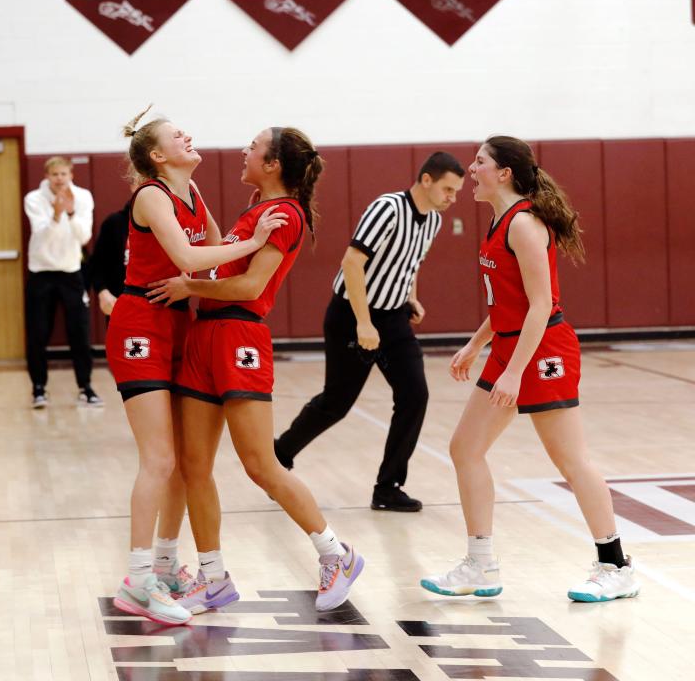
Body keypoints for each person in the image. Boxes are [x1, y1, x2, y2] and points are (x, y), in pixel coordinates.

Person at [148, 126, 365, 615]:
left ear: (273, 165)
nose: (245, 150)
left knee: (260, 464)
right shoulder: (254, 210)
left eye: (254, 147)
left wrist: (191, 287)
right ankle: (214, 577)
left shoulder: (283, 213)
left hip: (239, 338)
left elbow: (249, 288)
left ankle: (337, 553)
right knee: (193, 466)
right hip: (207, 337)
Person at [419, 135, 639, 603]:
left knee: (570, 459)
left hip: (543, 350)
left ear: (504, 173)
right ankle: (480, 564)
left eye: (479, 162)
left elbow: (541, 306)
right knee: (465, 448)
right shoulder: (498, 219)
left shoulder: (523, 224)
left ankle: (616, 565)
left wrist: (515, 371)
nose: (471, 168)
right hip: (509, 345)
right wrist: (475, 345)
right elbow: (508, 301)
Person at [106, 107, 288, 626]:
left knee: (187, 460)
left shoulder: (194, 194)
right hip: (140, 325)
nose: (188, 134)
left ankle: (164, 566)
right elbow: (189, 258)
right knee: (159, 460)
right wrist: (260, 241)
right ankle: (138, 581)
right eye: (176, 134)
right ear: (158, 156)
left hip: (178, 324)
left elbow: (217, 256)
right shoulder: (150, 195)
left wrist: (262, 246)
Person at [274, 152, 465, 512]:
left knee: (414, 396)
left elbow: (411, 262)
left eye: (456, 191)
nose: (452, 197)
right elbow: (352, 262)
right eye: (448, 189)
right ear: (427, 180)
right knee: (336, 404)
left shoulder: (433, 221)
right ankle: (279, 454)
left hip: (394, 320)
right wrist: (364, 322)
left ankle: (388, 487)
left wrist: (411, 297)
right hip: (351, 315)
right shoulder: (388, 208)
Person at [23, 156, 101, 408]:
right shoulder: (34, 199)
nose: (59, 179)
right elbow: (42, 235)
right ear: (46, 176)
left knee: (79, 330)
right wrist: (56, 216)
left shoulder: (83, 197)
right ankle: (38, 388)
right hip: (41, 271)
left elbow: (83, 236)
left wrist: (69, 212)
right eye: (54, 174)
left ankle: (85, 387)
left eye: (63, 174)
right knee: (38, 332)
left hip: (71, 271)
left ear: (71, 175)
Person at [89, 200, 129, 322]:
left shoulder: (167, 221)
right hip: (119, 302)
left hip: (156, 306)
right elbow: (97, 263)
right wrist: (102, 291)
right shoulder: (115, 222)